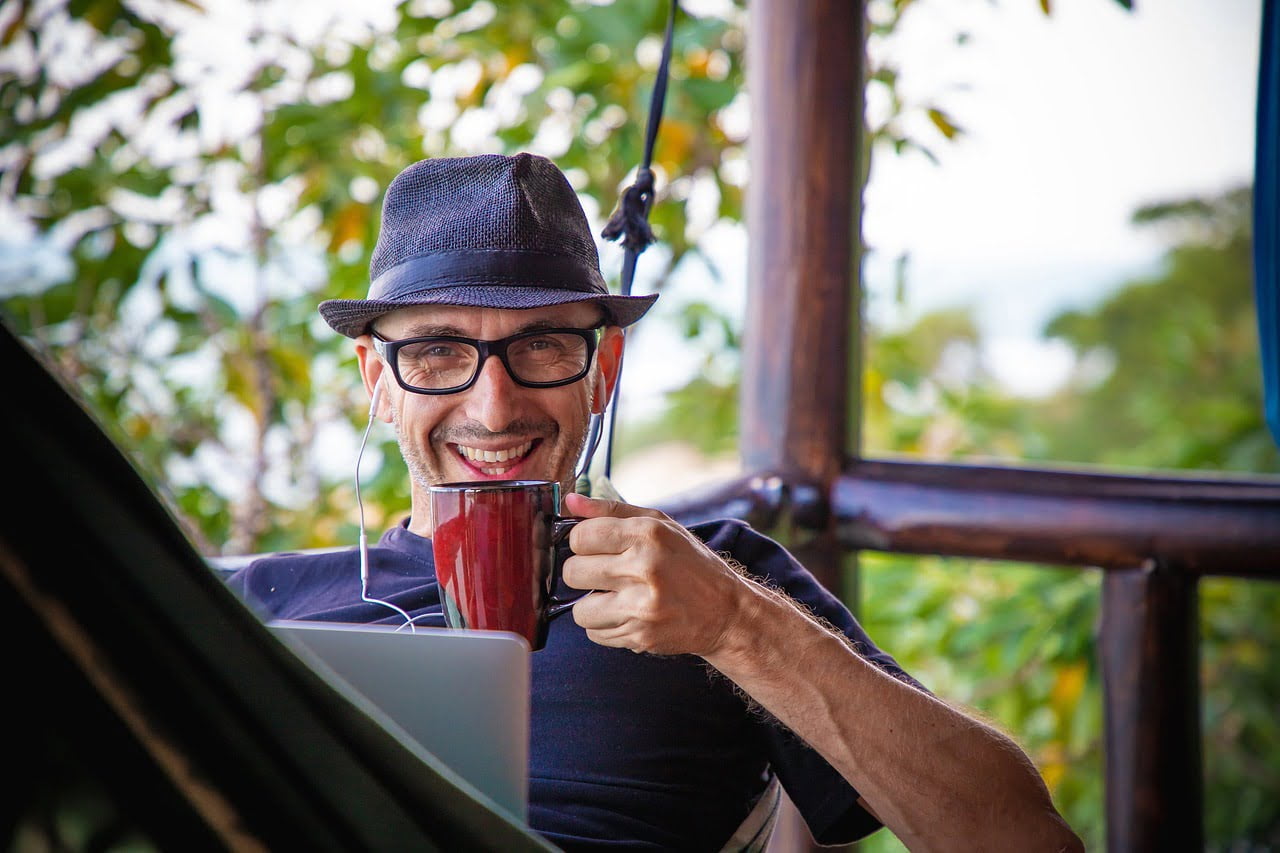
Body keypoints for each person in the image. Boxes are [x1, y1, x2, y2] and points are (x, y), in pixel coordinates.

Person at [227, 152, 1083, 852]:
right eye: (442, 353)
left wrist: (737, 626)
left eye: (544, 346)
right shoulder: (266, 604)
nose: (494, 407)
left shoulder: (712, 579)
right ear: (379, 381)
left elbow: (1024, 841)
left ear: (602, 373)